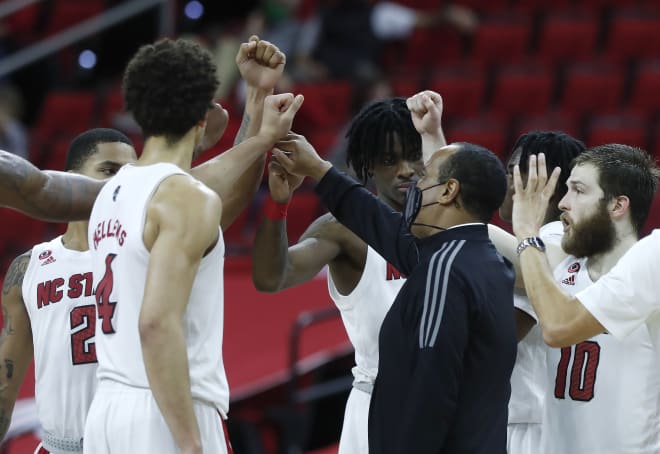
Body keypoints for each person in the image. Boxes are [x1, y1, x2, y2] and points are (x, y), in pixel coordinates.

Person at [81, 38, 303, 454]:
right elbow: (155, 324)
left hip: (108, 410)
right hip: (164, 409)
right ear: (203, 117)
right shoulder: (182, 198)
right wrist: (190, 445)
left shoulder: (118, 189)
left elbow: (217, 197)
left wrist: (257, 98)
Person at [271, 137, 515, 453]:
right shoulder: (484, 259)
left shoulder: (443, 269)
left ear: (448, 190)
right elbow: (382, 226)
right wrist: (320, 170)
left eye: (425, 177)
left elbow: (427, 390)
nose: (415, 184)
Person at [252, 91, 445, 453]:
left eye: (413, 155)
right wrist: (278, 206)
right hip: (380, 402)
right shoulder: (343, 230)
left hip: (448, 399)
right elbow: (270, 278)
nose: (405, 169)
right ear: (369, 165)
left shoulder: (453, 228)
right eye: (390, 160)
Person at [0, 35, 286, 228]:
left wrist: (257, 100)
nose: (120, 176)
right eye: (109, 170)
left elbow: (226, 195)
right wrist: (259, 126)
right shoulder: (137, 198)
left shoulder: (137, 203)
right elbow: (37, 187)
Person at [0, 129, 138, 452]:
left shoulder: (145, 253)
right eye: (108, 171)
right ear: (71, 179)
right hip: (58, 446)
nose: (119, 186)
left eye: (131, 175)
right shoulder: (28, 267)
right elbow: (4, 387)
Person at [493, 131, 585, 454]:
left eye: (513, 170)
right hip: (530, 418)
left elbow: (499, 338)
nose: (505, 180)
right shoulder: (541, 240)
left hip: (534, 424)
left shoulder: (555, 240)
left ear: (545, 179)